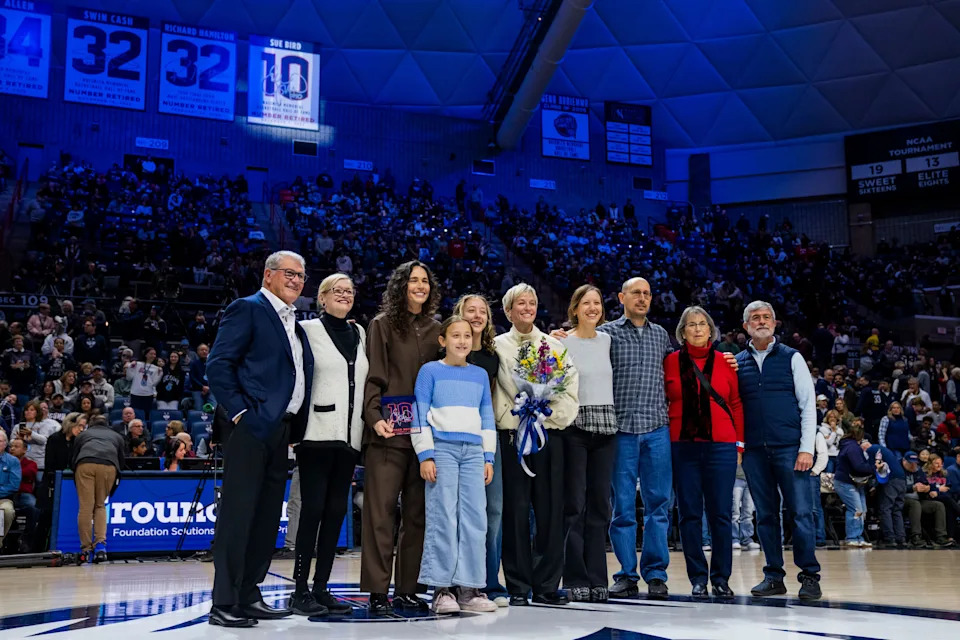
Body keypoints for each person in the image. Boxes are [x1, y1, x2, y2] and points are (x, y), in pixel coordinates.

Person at [597, 278, 736, 600]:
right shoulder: (606, 334)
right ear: (621, 297)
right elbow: (583, 347)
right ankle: (626, 574)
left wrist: (731, 359)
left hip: (658, 430)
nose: (642, 298)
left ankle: (656, 574)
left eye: (647, 294)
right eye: (636, 293)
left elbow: (695, 363)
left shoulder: (661, 336)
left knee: (659, 505)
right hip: (622, 430)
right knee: (622, 508)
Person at [206, 250, 315, 628]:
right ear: (268, 275)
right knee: (238, 516)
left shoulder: (295, 323)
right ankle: (224, 601)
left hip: (281, 431)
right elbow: (219, 365)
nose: (297, 280)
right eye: (289, 273)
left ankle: (249, 593)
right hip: (251, 428)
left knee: (267, 517)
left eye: (301, 276)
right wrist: (241, 414)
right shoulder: (247, 308)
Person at [361, 261, 441, 615]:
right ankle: (378, 592)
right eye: (413, 281)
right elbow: (374, 375)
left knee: (417, 516)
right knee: (380, 514)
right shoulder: (382, 324)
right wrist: (374, 417)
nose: (420, 286)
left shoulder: (438, 328)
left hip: (426, 436)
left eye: (425, 281)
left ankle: (408, 589)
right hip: (389, 432)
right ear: (400, 286)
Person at [493, 283, 579, 606]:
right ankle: (516, 584)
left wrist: (544, 415)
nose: (527, 308)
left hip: (548, 438)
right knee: (515, 512)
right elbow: (496, 392)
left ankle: (545, 585)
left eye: (531, 303)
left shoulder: (554, 346)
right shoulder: (496, 346)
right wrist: (518, 415)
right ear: (508, 310)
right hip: (513, 439)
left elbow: (569, 390)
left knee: (550, 511)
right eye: (520, 303)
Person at [288, 274, 367, 617]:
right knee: (314, 509)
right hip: (316, 434)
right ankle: (300, 589)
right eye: (336, 290)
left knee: (337, 512)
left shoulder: (360, 333)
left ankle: (322, 587)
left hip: (350, 436)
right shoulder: (307, 330)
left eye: (349, 291)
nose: (344, 295)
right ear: (321, 298)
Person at [411, 315, 498, 615]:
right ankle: (441, 589)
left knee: (476, 520)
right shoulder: (429, 372)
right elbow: (419, 415)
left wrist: (488, 456)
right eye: (455, 335)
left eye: (467, 335)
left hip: (474, 451)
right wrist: (426, 455)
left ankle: (471, 588)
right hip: (443, 450)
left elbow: (487, 417)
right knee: (443, 516)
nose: (462, 340)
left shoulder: (479, 375)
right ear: (442, 340)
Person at [735, 301, 821, 601]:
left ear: (775, 323)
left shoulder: (792, 357)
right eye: (755, 318)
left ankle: (809, 576)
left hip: (790, 449)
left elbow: (808, 405)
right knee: (766, 516)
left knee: (801, 514)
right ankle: (773, 576)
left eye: (766, 317)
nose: (761, 321)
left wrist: (806, 448)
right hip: (756, 452)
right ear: (746, 326)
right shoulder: (737, 362)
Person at [663, 306, 743, 598]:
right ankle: (698, 577)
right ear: (682, 332)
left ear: (711, 330)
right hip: (682, 447)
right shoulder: (669, 362)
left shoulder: (727, 362)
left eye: (702, 324)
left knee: (721, 514)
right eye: (690, 325)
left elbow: (735, 404)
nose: (697, 329)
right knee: (689, 514)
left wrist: (739, 443)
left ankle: (721, 578)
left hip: (721, 446)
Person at [556, 286, 617, 603]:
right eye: (586, 303)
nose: (592, 307)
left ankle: (597, 578)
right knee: (574, 506)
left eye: (597, 302)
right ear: (574, 308)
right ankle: (575, 576)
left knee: (599, 507)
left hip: (606, 431)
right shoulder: (562, 342)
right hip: (575, 429)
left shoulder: (608, 340)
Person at [452, 293, 507, 607]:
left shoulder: (491, 356)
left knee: (493, 511)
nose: (476, 316)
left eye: (482, 311)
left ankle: (488, 581)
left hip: (487, 438)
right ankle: (458, 582)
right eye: (470, 310)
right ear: (460, 313)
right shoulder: (446, 353)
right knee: (459, 512)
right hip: (454, 439)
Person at [71, 415, 125, 563]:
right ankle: (101, 547)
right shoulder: (116, 435)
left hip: (85, 463)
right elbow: (122, 461)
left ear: (90, 424)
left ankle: (86, 549)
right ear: (107, 425)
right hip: (109, 465)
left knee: (85, 508)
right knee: (100, 505)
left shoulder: (83, 434)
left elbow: (74, 457)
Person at [833, 422, 877, 548]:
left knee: (862, 510)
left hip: (853, 483)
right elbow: (858, 466)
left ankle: (858, 537)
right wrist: (874, 468)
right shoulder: (852, 447)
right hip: (845, 482)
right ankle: (851, 538)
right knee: (856, 509)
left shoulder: (848, 445)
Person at [901, 451, 954, 548]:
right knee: (914, 504)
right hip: (903, 500)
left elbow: (927, 484)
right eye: (910, 463)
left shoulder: (918, 471)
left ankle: (940, 536)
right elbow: (898, 489)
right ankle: (916, 536)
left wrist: (928, 488)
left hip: (919, 499)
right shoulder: (899, 471)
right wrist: (912, 488)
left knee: (938, 505)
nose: (913, 465)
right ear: (904, 461)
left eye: (915, 463)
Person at [865, 441, 907, 548]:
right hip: (902, 480)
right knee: (897, 510)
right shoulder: (884, 450)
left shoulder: (871, 450)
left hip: (891, 481)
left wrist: (872, 485)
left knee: (885, 509)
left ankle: (889, 538)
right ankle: (901, 538)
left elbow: (874, 469)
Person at [7, 437, 39, 551]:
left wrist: (13, 470)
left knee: (34, 507)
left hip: (23, 494)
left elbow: (29, 473)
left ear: (25, 450)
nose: (12, 449)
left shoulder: (31, 463)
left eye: (16, 447)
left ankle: (27, 538)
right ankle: (9, 541)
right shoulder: (4, 461)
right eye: (11, 446)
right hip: (7, 494)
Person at [125, 348, 163, 420]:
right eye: (151, 354)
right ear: (146, 354)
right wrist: (130, 367)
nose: (153, 356)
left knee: (146, 416)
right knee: (134, 415)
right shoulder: (137, 364)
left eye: (154, 354)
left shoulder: (156, 368)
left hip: (148, 394)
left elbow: (154, 383)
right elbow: (129, 378)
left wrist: (160, 374)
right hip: (136, 393)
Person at [0, 430, 22, 550]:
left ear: (5, 443)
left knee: (6, 511)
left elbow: (14, 485)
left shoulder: (13, 461)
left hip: (4, 499)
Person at [809, 428, 829, 547]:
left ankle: (819, 537)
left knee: (815, 508)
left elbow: (823, 454)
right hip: (796, 474)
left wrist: (815, 471)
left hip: (811, 474)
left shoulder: (817, 434)